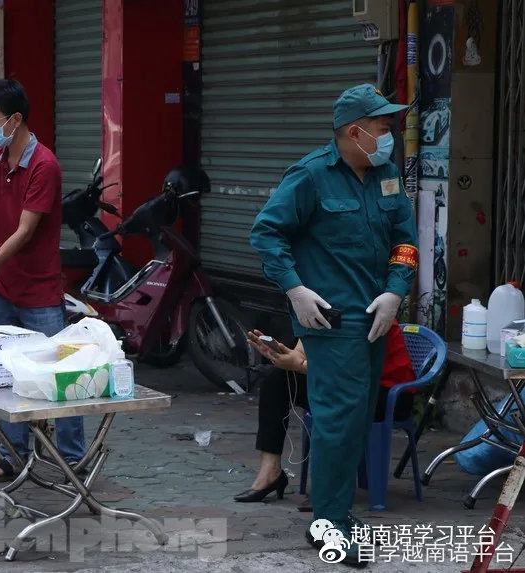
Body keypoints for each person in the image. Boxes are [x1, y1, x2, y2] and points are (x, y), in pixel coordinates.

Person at [249, 84, 416, 565]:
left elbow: (405, 240)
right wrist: (294, 288)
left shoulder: (386, 176)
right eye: (383, 128)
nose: (389, 136)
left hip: (376, 320)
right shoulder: (311, 176)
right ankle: (333, 525)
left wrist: (396, 290)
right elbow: (266, 233)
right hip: (332, 320)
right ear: (354, 131)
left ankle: (333, 514)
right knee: (340, 423)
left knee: (357, 421)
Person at [0, 79, 85, 484]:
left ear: (16, 119)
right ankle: (13, 456)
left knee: (58, 377)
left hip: (40, 293)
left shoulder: (45, 165)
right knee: (4, 377)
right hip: (2, 290)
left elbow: (24, 231)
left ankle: (73, 457)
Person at [236, 321, 416, 509]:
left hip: (386, 394)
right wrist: (281, 356)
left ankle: (329, 488)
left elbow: (350, 370)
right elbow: (301, 354)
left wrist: (299, 365)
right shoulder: (315, 307)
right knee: (276, 379)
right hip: (342, 384)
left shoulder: (364, 309)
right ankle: (270, 472)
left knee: (335, 399)